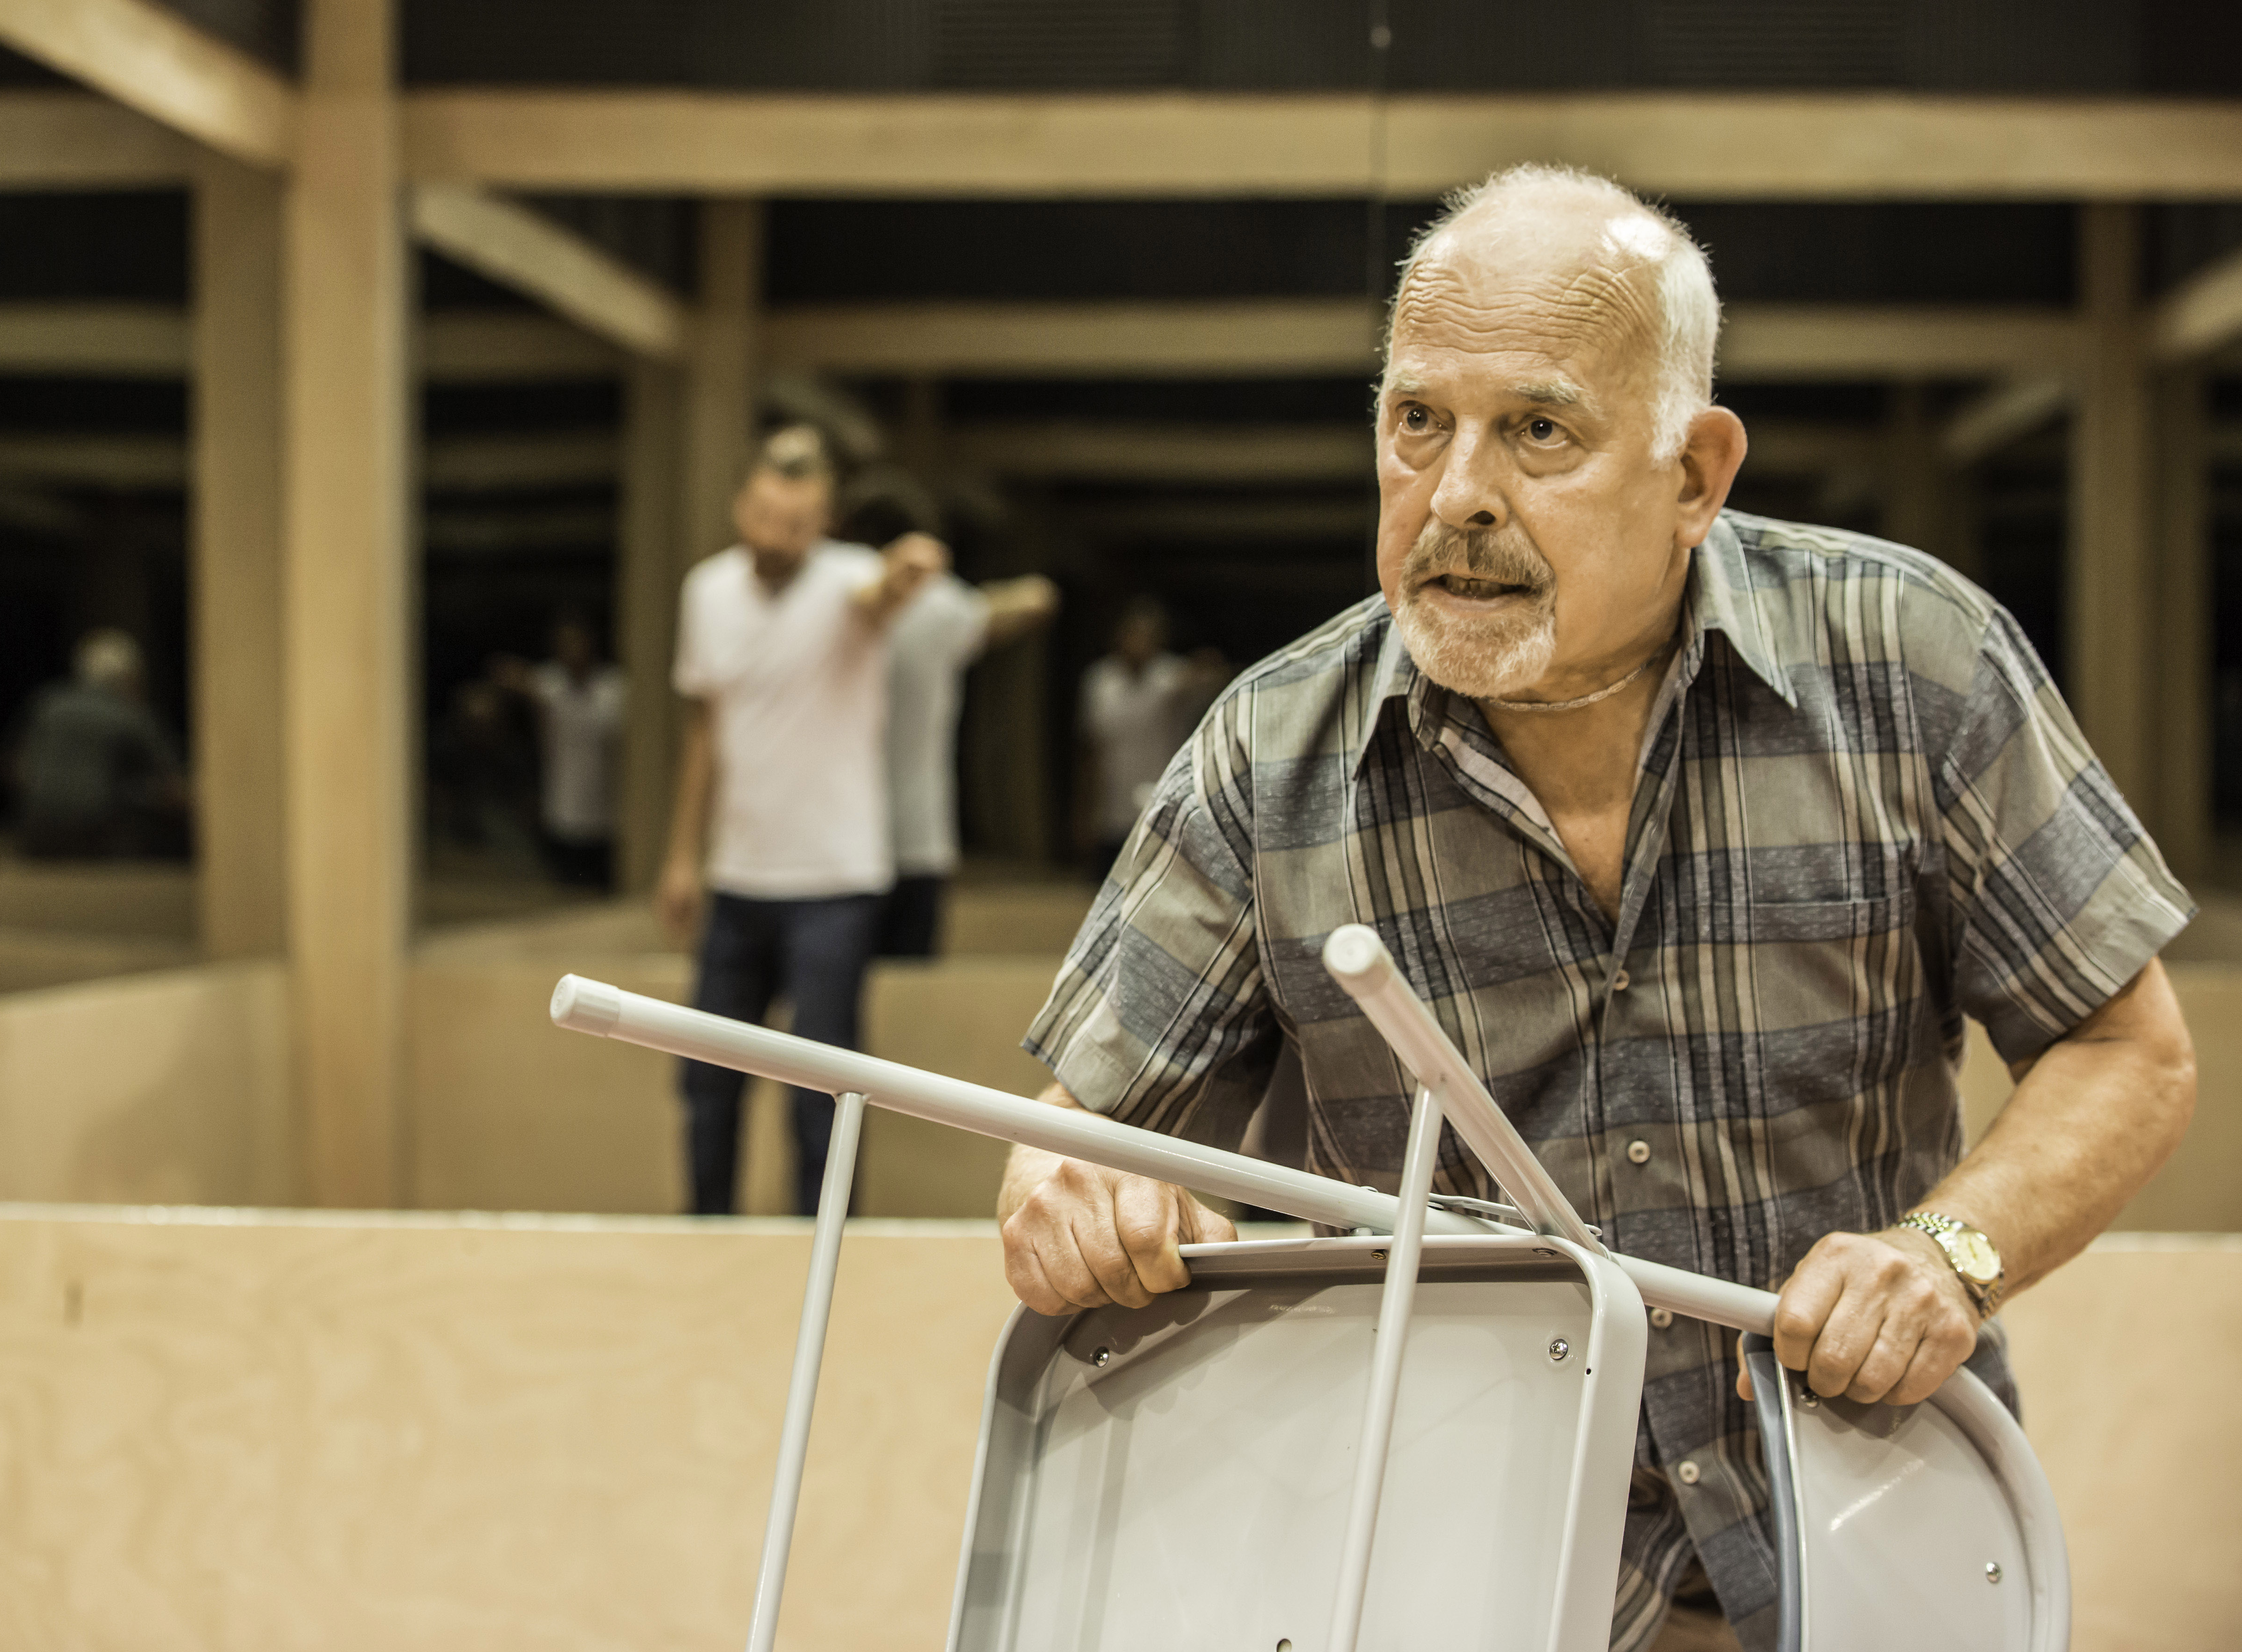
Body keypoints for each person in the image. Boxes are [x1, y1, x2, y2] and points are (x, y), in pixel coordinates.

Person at [997, 166, 2196, 1652]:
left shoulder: (1914, 663)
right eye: (1416, 422)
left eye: (1538, 431)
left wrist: (1947, 1249)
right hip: (1455, 1562)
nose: (1455, 498)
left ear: (1695, 473)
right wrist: (1085, 1195)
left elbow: (2127, 1049)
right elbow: (1076, 1141)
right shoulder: (1271, 750)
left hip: (1862, 1532)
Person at [659, 425, 947, 1215]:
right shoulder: (707, 591)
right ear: (740, 505)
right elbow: (703, 728)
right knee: (706, 1077)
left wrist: (907, 570)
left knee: (820, 1086)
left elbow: (879, 593)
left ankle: (821, 1243)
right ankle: (707, 1232)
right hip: (740, 874)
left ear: (821, 524)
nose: (773, 535)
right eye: (761, 514)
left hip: (833, 881)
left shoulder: (847, 582)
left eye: (794, 523)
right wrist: (682, 855)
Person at [840, 474, 1060, 959]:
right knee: (904, 1000)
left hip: (838, 843)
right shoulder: (942, 607)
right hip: (918, 841)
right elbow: (1033, 600)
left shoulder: (833, 605)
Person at [1073, 597, 1224, 884]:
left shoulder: (1170, 678)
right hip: (1111, 810)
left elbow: (1214, 680)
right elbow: (1090, 748)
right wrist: (1084, 811)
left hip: (1160, 805)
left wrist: (1207, 667)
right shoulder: (1100, 681)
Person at [13, 629, 188, 860]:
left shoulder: (47, 704)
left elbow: (15, 768)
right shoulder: (130, 713)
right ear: (129, 677)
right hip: (101, 839)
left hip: (37, 834)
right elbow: (173, 787)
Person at [492, 611, 626, 891]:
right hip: (562, 812)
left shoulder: (614, 688)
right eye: (564, 644)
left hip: (608, 813)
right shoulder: (551, 684)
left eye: (577, 642)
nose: (571, 651)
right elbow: (512, 675)